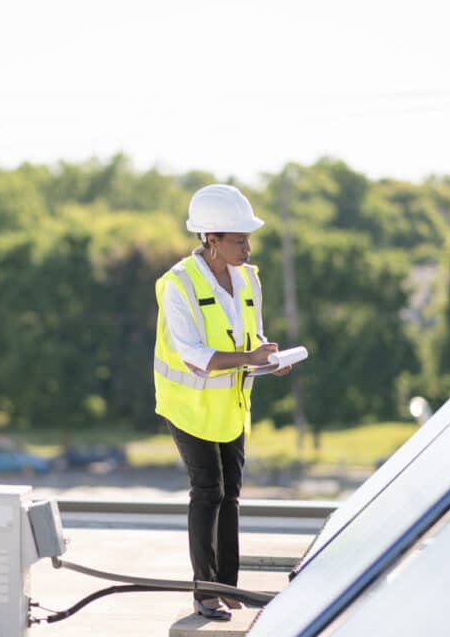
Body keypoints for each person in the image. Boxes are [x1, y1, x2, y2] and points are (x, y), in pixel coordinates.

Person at [153, 184, 292, 621]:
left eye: (248, 238)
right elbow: (192, 354)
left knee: (230, 493)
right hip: (188, 406)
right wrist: (247, 358)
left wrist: (268, 357)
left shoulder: (249, 278)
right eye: (239, 240)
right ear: (211, 239)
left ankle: (228, 587)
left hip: (231, 405)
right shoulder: (178, 285)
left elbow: (251, 337)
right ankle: (205, 592)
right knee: (208, 490)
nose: (247, 247)